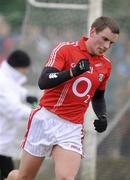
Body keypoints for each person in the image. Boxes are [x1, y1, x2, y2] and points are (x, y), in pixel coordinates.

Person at [7, 16, 120, 180]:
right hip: (46, 119)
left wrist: (102, 116)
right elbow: (43, 81)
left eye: (111, 43)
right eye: (104, 39)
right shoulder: (65, 49)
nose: (106, 46)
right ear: (92, 31)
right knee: (24, 177)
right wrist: (72, 72)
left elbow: (98, 96)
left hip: (71, 127)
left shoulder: (106, 65)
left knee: (66, 178)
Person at [0, 50, 38, 180]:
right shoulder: (3, 82)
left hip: (3, 143)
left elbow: (15, 90)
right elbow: (13, 109)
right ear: (18, 67)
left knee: (9, 174)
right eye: (25, 69)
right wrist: (35, 113)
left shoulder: (7, 79)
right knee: (10, 175)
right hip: (1, 140)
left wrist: (26, 96)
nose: (26, 72)